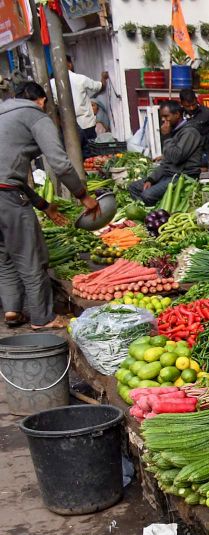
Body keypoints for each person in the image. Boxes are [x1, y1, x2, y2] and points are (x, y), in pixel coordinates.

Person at [0, 82, 100, 329]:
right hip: (7, 197)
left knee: (3, 257)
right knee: (30, 256)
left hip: (6, 192)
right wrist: (82, 195)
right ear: (42, 101)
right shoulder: (35, 116)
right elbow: (60, 163)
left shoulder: (3, 113)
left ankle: (12, 310)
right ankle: (42, 318)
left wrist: (44, 205)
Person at [126, 100, 205, 204]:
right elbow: (166, 163)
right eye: (162, 117)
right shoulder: (175, 131)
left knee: (147, 195)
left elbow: (176, 157)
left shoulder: (189, 132)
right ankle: (147, 212)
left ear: (177, 115)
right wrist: (151, 179)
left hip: (184, 176)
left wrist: (166, 137)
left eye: (166, 116)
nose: (163, 120)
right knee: (133, 187)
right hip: (169, 174)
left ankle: (158, 213)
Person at [52, 55, 107, 152]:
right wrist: (103, 78)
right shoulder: (80, 79)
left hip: (66, 127)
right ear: (69, 64)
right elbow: (100, 86)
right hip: (86, 124)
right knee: (90, 154)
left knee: (72, 153)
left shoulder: (52, 83)